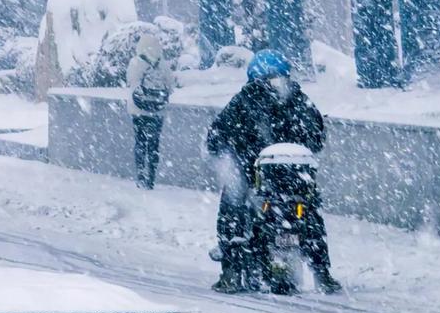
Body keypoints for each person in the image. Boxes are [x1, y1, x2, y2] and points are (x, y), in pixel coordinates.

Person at [206, 49, 341, 295]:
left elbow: (216, 136)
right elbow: (317, 137)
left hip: (253, 177)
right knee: (311, 218)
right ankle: (322, 273)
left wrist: (231, 152)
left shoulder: (244, 100)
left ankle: (231, 271)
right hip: (296, 180)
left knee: (232, 209)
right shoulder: (300, 100)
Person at [126, 31, 174, 189]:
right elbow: (170, 87)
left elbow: (131, 83)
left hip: (139, 110)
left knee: (140, 142)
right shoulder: (164, 65)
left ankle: (141, 175)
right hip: (157, 111)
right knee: (154, 144)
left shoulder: (136, 62)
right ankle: (151, 178)